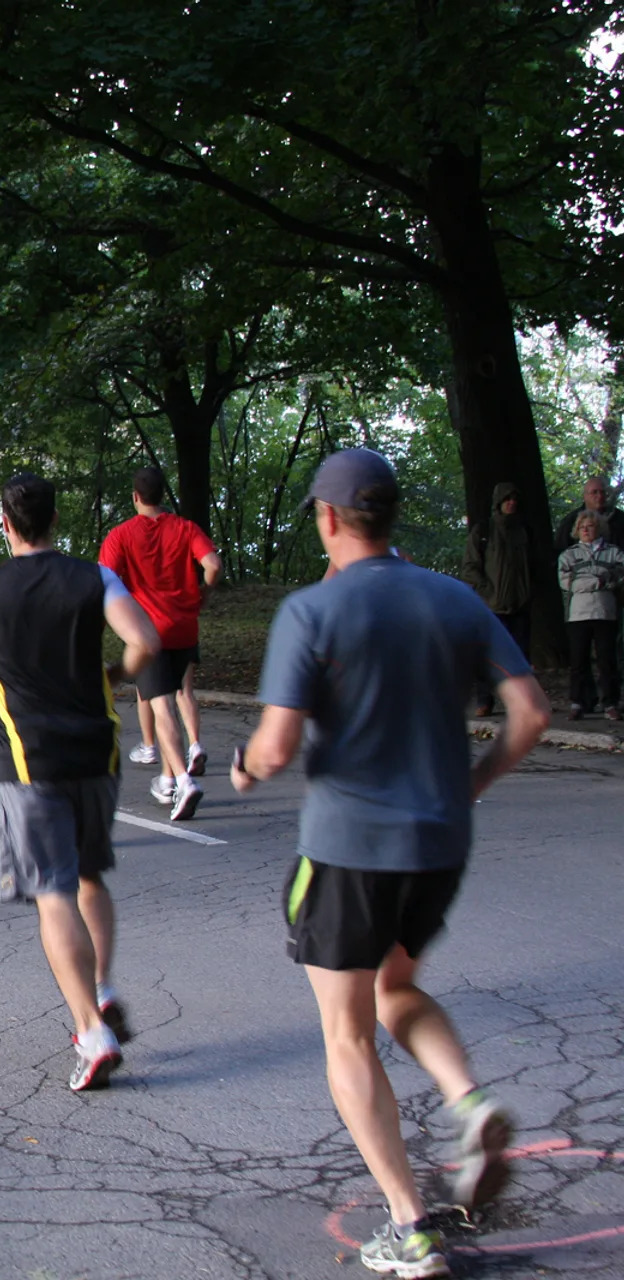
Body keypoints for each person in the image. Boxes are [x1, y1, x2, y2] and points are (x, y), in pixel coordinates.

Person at [231, 448, 550, 1278]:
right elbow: (531, 712)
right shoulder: (455, 598)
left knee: (347, 1033)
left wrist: (242, 766)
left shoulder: (313, 610)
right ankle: (469, 1104)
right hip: (439, 844)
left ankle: (410, 1226)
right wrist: (473, 782)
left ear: (328, 517)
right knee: (397, 988)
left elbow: (276, 747)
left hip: (347, 851)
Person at [0, 471, 160, 1092]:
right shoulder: (96, 578)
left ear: (5, 524)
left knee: (53, 892)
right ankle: (102, 986)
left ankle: (91, 1032)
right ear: (55, 520)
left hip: (29, 761)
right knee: (89, 875)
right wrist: (114, 674)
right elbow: (145, 640)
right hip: (98, 752)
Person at [97, 465, 221, 820]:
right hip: (185, 629)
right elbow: (213, 564)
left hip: (149, 633)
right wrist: (205, 594)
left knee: (162, 706)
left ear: (135, 497)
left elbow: (104, 581)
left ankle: (183, 780)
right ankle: (166, 779)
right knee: (173, 697)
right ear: (163, 495)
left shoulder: (121, 535)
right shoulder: (185, 528)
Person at [463, 481, 531, 716]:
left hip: (520, 604)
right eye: (507, 499)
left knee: (520, 656)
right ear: (498, 502)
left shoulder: (524, 531)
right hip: (491, 605)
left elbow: (534, 566)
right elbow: (470, 567)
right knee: (487, 656)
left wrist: (527, 592)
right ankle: (485, 701)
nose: (512, 503)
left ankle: (519, 702)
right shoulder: (483, 532)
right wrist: (487, 592)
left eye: (515, 499)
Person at [559, 509, 622, 720]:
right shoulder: (569, 555)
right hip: (578, 614)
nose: (586, 530)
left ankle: (610, 703)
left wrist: (588, 580)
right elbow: (567, 583)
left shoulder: (613, 553)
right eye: (582, 527)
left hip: (605, 613)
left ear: (599, 528)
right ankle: (579, 702)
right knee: (579, 661)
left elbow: (619, 575)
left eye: (590, 526)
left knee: (607, 660)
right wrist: (598, 581)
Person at [553, 474, 624, 552]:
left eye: (602, 492)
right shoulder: (570, 521)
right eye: (594, 492)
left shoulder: (620, 518)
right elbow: (560, 549)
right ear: (585, 496)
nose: (600, 496)